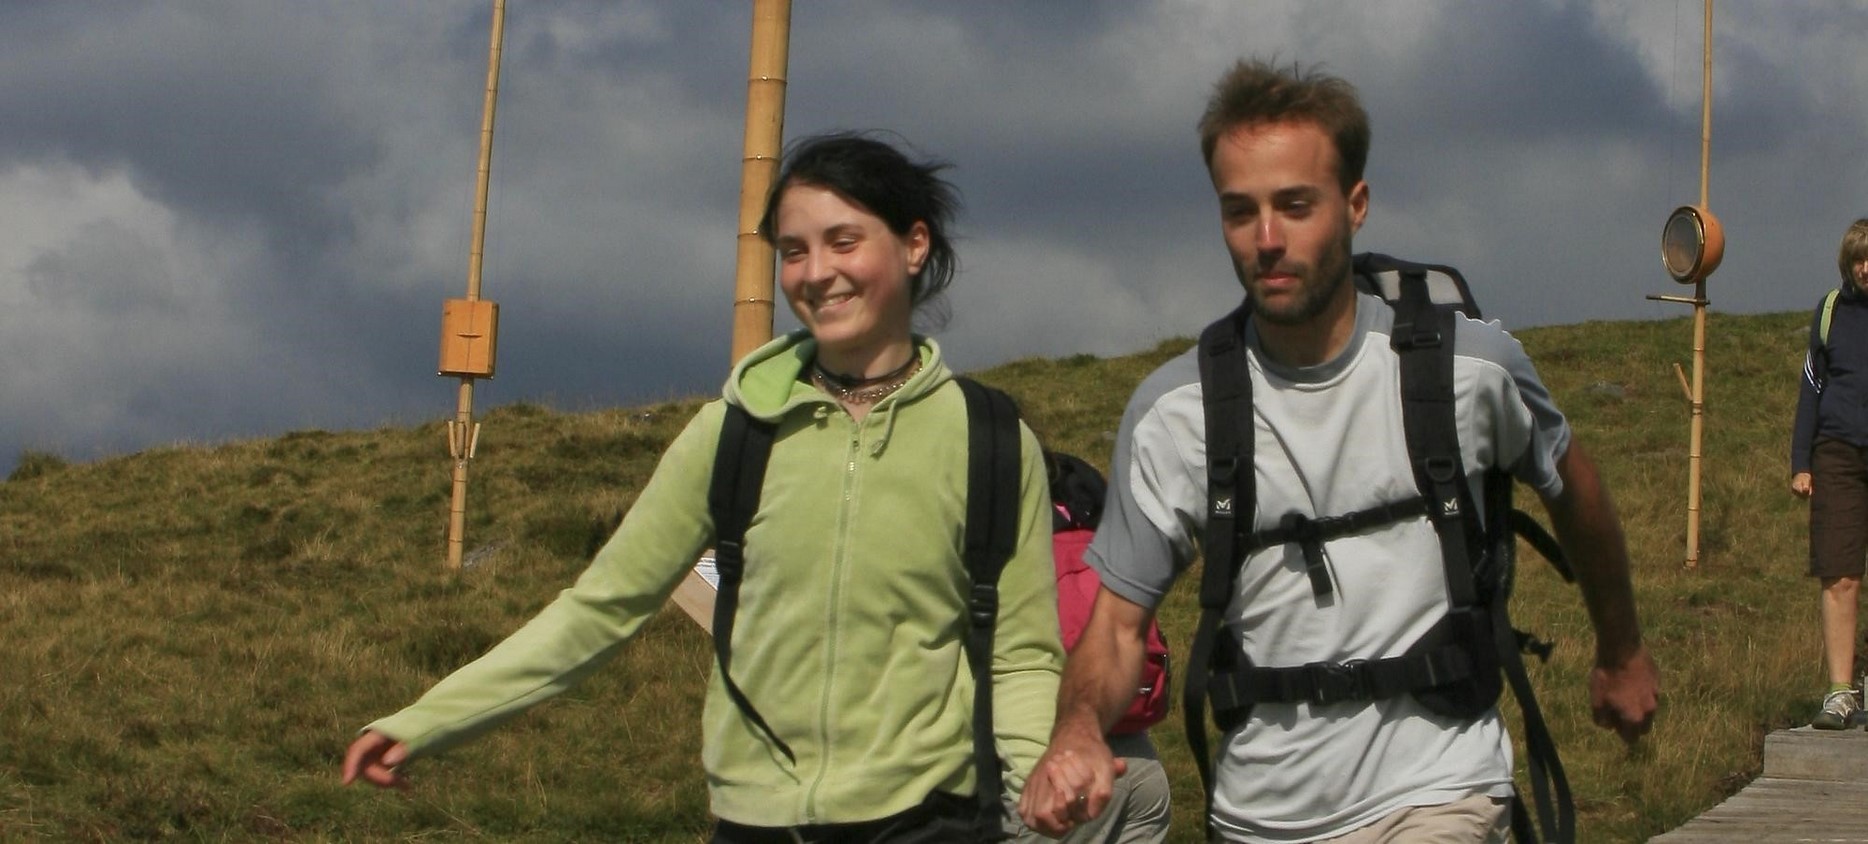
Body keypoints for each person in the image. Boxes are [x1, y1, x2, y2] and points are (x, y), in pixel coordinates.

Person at [343, 132, 1065, 841]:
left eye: (844, 242)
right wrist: (426, 720)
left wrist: (1030, 795)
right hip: (756, 821)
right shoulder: (732, 431)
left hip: (930, 819)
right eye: (793, 251)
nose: (816, 273)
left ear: (914, 245)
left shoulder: (991, 441)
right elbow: (600, 609)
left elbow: (1024, 652)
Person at [1018, 59, 1659, 842]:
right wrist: (1079, 724)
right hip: (1259, 812)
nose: (1267, 240)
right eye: (1239, 211)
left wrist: (1621, 649)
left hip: (1441, 788)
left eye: (1295, 206)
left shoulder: (1467, 369)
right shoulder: (1175, 414)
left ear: (1355, 204)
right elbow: (1116, 627)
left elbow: (1573, 485)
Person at [1790, 217, 1868, 730]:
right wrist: (1801, 463)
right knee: (1840, 576)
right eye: (1860, 258)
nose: (1867, 267)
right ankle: (1841, 693)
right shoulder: (1830, 312)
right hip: (1837, 453)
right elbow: (1810, 390)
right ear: (1848, 262)